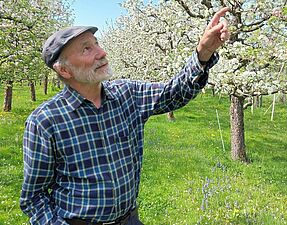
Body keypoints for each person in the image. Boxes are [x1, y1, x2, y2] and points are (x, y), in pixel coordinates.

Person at [20, 7, 230, 225]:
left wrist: (203, 53)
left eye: (96, 43)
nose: (101, 53)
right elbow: (33, 197)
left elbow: (173, 93)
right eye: (86, 49)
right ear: (64, 70)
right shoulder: (45, 121)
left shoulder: (127, 94)